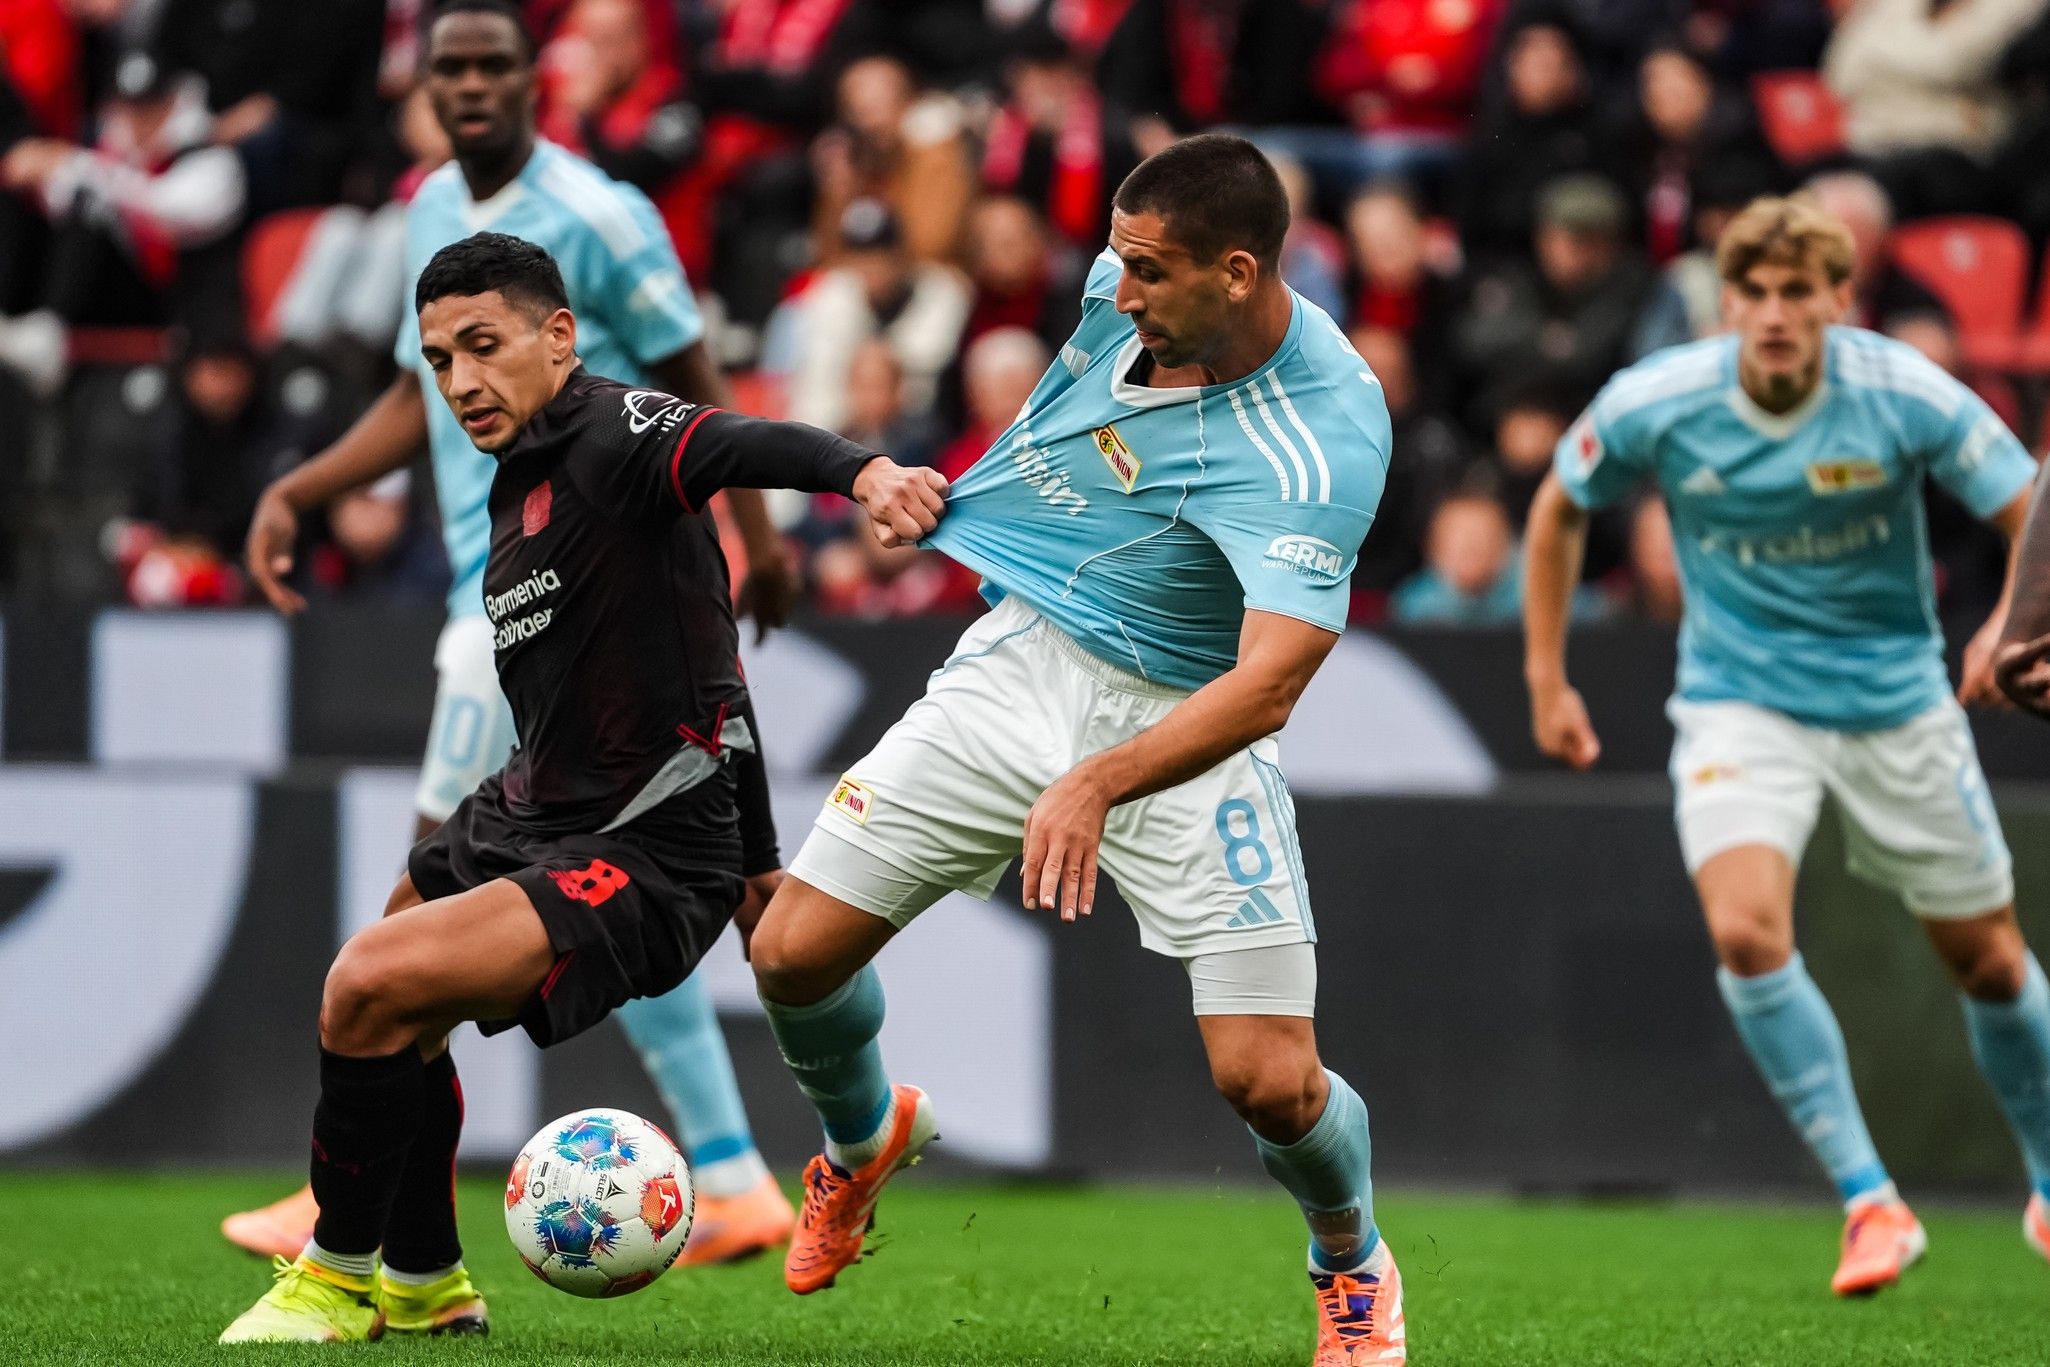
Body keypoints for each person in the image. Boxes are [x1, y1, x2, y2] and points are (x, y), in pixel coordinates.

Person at [745, 135, 1406, 1366]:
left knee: (1268, 1080)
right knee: (789, 951)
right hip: (1026, 657)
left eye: (1148, 270)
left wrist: (1097, 779)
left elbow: (1269, 683)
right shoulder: (1125, 291)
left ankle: (1350, 1257)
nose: (1117, 286)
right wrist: (932, 496)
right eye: (1117, 257)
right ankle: (861, 1138)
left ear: (1238, 272)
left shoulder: (1321, 438)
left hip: (1187, 720)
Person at [219, 231, 946, 1344]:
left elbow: (729, 438)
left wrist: (863, 472)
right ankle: (423, 1277)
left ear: (558, 337)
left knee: (367, 983)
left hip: (641, 852)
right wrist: (759, 861)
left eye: (484, 345)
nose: (461, 379)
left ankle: (334, 1275)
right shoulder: (519, 480)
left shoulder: (611, 432)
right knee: (391, 985)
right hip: (533, 808)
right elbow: (714, 672)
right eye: (439, 359)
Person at [228, 0, 798, 1270]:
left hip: (568, 593)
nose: (473, 85)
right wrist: (304, 486)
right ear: (424, 86)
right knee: (514, 890)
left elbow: (691, 377)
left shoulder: (600, 213)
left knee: (432, 914)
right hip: (486, 588)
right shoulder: (431, 205)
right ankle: (724, 1170)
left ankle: (360, 1199)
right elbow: (408, 387)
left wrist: (755, 542)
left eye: (495, 64)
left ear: (539, 77)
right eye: (452, 68)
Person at [1523, 194, 2050, 1296]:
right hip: (1739, 702)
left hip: (1896, 703)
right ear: (1725, 304)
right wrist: (1545, 676)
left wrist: (2010, 624)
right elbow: (1560, 505)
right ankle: (1870, 1200)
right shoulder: (1659, 399)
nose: (1772, 314)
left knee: (1989, 958)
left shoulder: (1900, 389)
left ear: (1837, 301)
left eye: (1795, 293)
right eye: (1752, 293)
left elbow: (2029, 504)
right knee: (1745, 932)